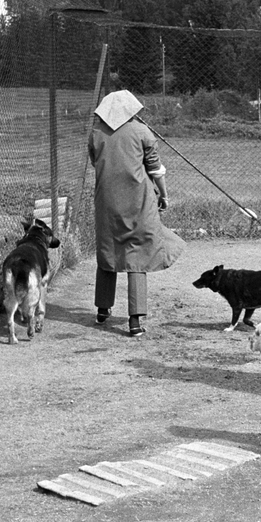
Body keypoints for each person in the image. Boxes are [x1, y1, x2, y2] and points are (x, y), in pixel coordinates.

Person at [88, 90, 186, 337]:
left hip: (106, 200)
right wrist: (163, 195)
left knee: (108, 249)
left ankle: (102, 309)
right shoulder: (142, 132)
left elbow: (96, 162)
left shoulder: (96, 133)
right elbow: (155, 170)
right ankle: (135, 321)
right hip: (138, 201)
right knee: (137, 253)